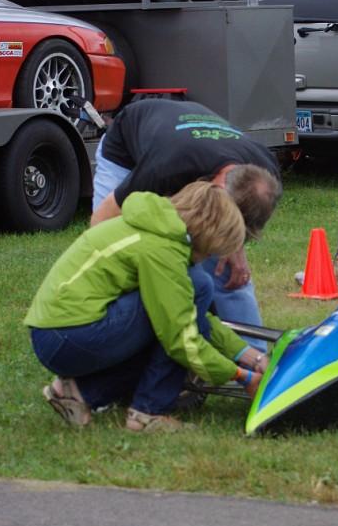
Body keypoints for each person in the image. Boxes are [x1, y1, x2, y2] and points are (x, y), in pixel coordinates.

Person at [25, 182, 269, 432]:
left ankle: (76, 392)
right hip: (67, 337)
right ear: (208, 234)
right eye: (212, 252)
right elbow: (180, 337)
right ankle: (147, 413)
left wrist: (250, 356)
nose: (208, 258)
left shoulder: (157, 226)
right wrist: (244, 377)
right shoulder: (162, 249)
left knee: (189, 299)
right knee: (193, 298)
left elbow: (187, 312)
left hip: (54, 334)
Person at [91, 98, 281, 352]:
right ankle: (109, 345)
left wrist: (234, 250)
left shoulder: (265, 174)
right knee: (123, 252)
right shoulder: (166, 163)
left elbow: (237, 216)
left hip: (187, 145)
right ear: (216, 188)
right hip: (126, 151)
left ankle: (256, 360)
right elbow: (101, 221)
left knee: (227, 273)